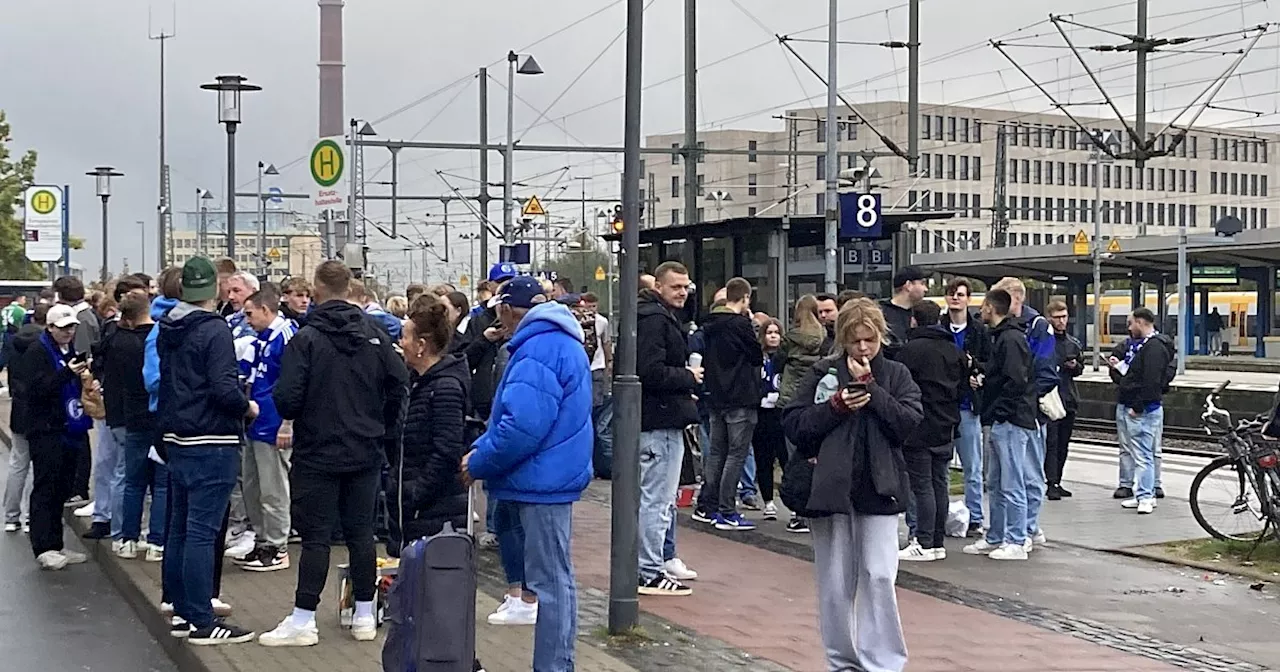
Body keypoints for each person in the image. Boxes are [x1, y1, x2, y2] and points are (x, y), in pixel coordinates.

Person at [259, 261, 408, 646]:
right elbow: (398, 384)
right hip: (365, 449)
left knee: (315, 537)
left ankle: (303, 618)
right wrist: (382, 428)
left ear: (317, 290)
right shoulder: (375, 335)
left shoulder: (306, 339)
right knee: (361, 535)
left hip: (317, 450)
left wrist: (298, 409)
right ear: (350, 288)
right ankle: (363, 615)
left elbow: (288, 398)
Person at [781, 298, 920, 672]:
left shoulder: (895, 374)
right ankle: (842, 661)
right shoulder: (823, 372)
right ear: (843, 339)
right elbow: (793, 422)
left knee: (878, 575)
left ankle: (884, 661)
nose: (863, 348)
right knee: (835, 582)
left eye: (870, 340)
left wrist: (872, 391)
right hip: (830, 487)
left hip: (880, 485)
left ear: (880, 338)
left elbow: (908, 423)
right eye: (855, 340)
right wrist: (835, 407)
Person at [462, 275, 593, 672]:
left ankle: (554, 667)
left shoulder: (536, 349)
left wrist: (479, 459)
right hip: (550, 475)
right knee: (555, 580)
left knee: (551, 584)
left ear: (505, 311)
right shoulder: (558, 341)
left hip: (541, 480)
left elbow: (521, 426)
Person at [156, 257, 258, 643]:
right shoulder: (214, 330)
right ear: (214, 288)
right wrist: (246, 407)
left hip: (178, 437)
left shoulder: (170, 327)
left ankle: (181, 610)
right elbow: (222, 388)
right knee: (202, 531)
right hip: (212, 439)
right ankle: (202, 619)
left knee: (180, 528)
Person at [635, 262, 702, 595]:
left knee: (657, 499)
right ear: (658, 286)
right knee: (657, 500)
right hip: (660, 419)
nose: (683, 292)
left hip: (659, 417)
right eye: (676, 286)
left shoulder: (654, 317)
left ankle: (652, 563)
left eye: (686, 286)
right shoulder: (656, 320)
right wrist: (688, 378)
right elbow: (650, 370)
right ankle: (648, 570)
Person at [962, 289, 1037, 561]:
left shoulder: (1011, 339)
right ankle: (996, 535)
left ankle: (1017, 538)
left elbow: (1016, 380)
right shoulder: (1002, 338)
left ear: (991, 308)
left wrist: (1001, 412)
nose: (980, 311)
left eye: (983, 306)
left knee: (1012, 480)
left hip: (1010, 420)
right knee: (994, 481)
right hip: (997, 418)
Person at [22, 304, 94, 570]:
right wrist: (66, 374)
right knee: (46, 487)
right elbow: (36, 389)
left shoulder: (70, 351)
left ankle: (57, 543)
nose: (69, 332)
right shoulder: (37, 352)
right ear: (50, 328)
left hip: (69, 426)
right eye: (63, 328)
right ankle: (44, 546)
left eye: (72, 327)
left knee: (62, 487)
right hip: (46, 429)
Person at [990, 277, 1057, 548]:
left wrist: (1025, 398)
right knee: (1003, 476)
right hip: (1014, 411)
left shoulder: (1038, 327)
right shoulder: (1006, 330)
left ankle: (1028, 529)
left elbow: (1044, 370)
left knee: (1027, 474)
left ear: (1016, 298)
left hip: (1028, 414)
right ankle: (1007, 530)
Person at [898, 301, 966, 562]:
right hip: (947, 423)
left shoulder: (910, 351)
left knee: (922, 485)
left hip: (919, 425)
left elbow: (902, 386)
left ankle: (923, 541)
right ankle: (937, 541)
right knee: (940, 484)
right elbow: (963, 388)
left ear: (914, 320)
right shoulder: (953, 350)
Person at [236, 286, 296, 572]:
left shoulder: (285, 336)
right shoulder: (262, 339)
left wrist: (287, 422)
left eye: (250, 313)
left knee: (273, 489)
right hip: (255, 423)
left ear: (265, 309)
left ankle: (277, 545)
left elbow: (293, 382)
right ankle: (262, 541)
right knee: (253, 486)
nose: (247, 319)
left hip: (274, 424)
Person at [695, 277, 763, 531]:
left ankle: (710, 506)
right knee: (737, 454)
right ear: (745, 298)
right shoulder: (741, 325)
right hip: (740, 396)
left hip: (716, 396)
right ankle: (727, 510)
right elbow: (756, 356)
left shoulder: (710, 324)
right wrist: (753, 325)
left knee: (716, 453)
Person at [114, 292, 167, 562]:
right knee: (161, 484)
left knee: (134, 482)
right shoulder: (161, 337)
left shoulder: (120, 342)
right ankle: (156, 541)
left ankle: (128, 539)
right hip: (158, 415)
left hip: (132, 415)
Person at [1108, 308, 1174, 515]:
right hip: (1142, 406)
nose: (1129, 328)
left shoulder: (1153, 348)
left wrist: (1138, 406)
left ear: (1140, 322)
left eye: (1131, 324)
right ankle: (1144, 494)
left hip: (1143, 410)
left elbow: (1151, 380)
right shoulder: (1151, 346)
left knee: (1144, 454)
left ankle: (1146, 496)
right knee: (1141, 453)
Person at [775, 295, 828, 534]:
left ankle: (799, 512)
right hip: (816, 398)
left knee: (793, 456)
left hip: (791, 398)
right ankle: (816, 505)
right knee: (814, 454)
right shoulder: (824, 338)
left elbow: (778, 363)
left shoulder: (790, 338)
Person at [940, 277, 989, 537]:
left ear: (968, 299)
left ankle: (975, 517)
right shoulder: (940, 329)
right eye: (951, 294)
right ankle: (945, 514)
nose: (955, 298)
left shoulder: (978, 331)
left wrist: (978, 372)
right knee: (943, 465)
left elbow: (988, 363)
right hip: (945, 405)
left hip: (968, 406)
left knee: (973, 466)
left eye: (960, 294)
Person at [53, 276, 98, 508]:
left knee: (80, 436)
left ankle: (78, 487)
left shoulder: (80, 320)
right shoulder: (87, 315)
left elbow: (79, 354)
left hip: (80, 386)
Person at [3, 303, 47, 533]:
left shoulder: (14, 342)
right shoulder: (43, 345)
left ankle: (11, 517)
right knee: (38, 466)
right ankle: (32, 516)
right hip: (40, 412)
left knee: (17, 464)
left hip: (18, 409)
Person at [1045, 300, 1083, 501]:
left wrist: (1074, 365)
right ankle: (1051, 482)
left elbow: (1080, 369)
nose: (1061, 321)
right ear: (1049, 318)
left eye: (1064, 317)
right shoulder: (1045, 341)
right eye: (1057, 317)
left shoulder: (1073, 343)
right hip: (1050, 398)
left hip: (1067, 397)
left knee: (1063, 443)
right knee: (1051, 442)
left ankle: (1057, 480)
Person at [753, 318, 785, 521]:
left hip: (780, 411)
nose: (772, 336)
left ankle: (790, 502)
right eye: (769, 332)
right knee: (763, 458)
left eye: (776, 332)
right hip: (761, 411)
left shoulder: (784, 357)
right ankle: (768, 501)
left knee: (784, 456)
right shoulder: (757, 357)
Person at [879, 266, 928, 359]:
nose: (926, 289)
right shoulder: (880, 314)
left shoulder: (920, 313)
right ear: (908, 285)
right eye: (922, 283)